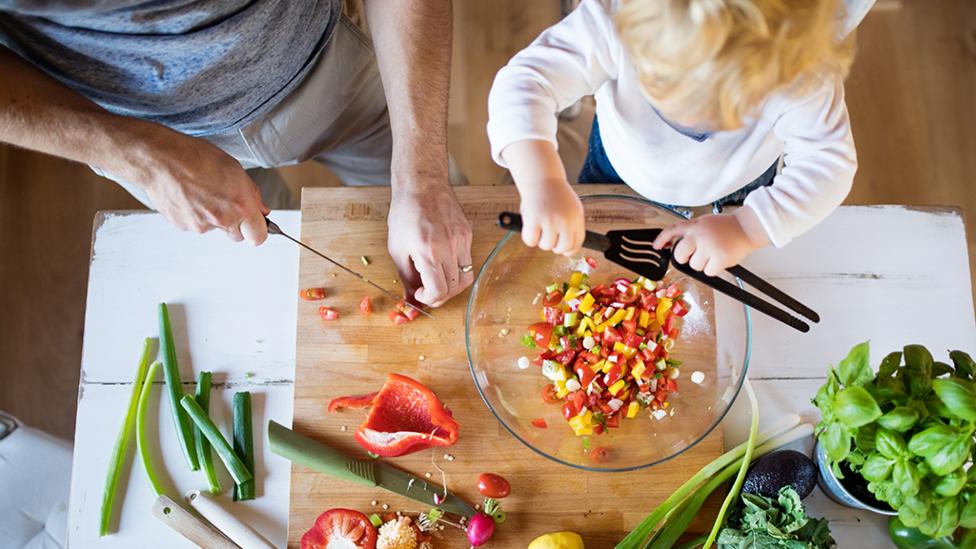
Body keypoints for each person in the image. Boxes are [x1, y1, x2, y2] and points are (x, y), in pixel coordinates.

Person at [0, 0, 473, 307]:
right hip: (134, 131)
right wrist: (143, 157)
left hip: (323, 63)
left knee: (443, 236)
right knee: (265, 284)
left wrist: (422, 178)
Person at [487, 0, 862, 277]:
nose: (691, 120)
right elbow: (526, 82)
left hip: (739, 187)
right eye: (665, 84)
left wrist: (748, 229)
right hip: (619, 168)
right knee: (599, 269)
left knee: (722, 258)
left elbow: (827, 164)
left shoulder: (801, 68)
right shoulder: (619, 15)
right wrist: (543, 182)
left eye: (726, 106)